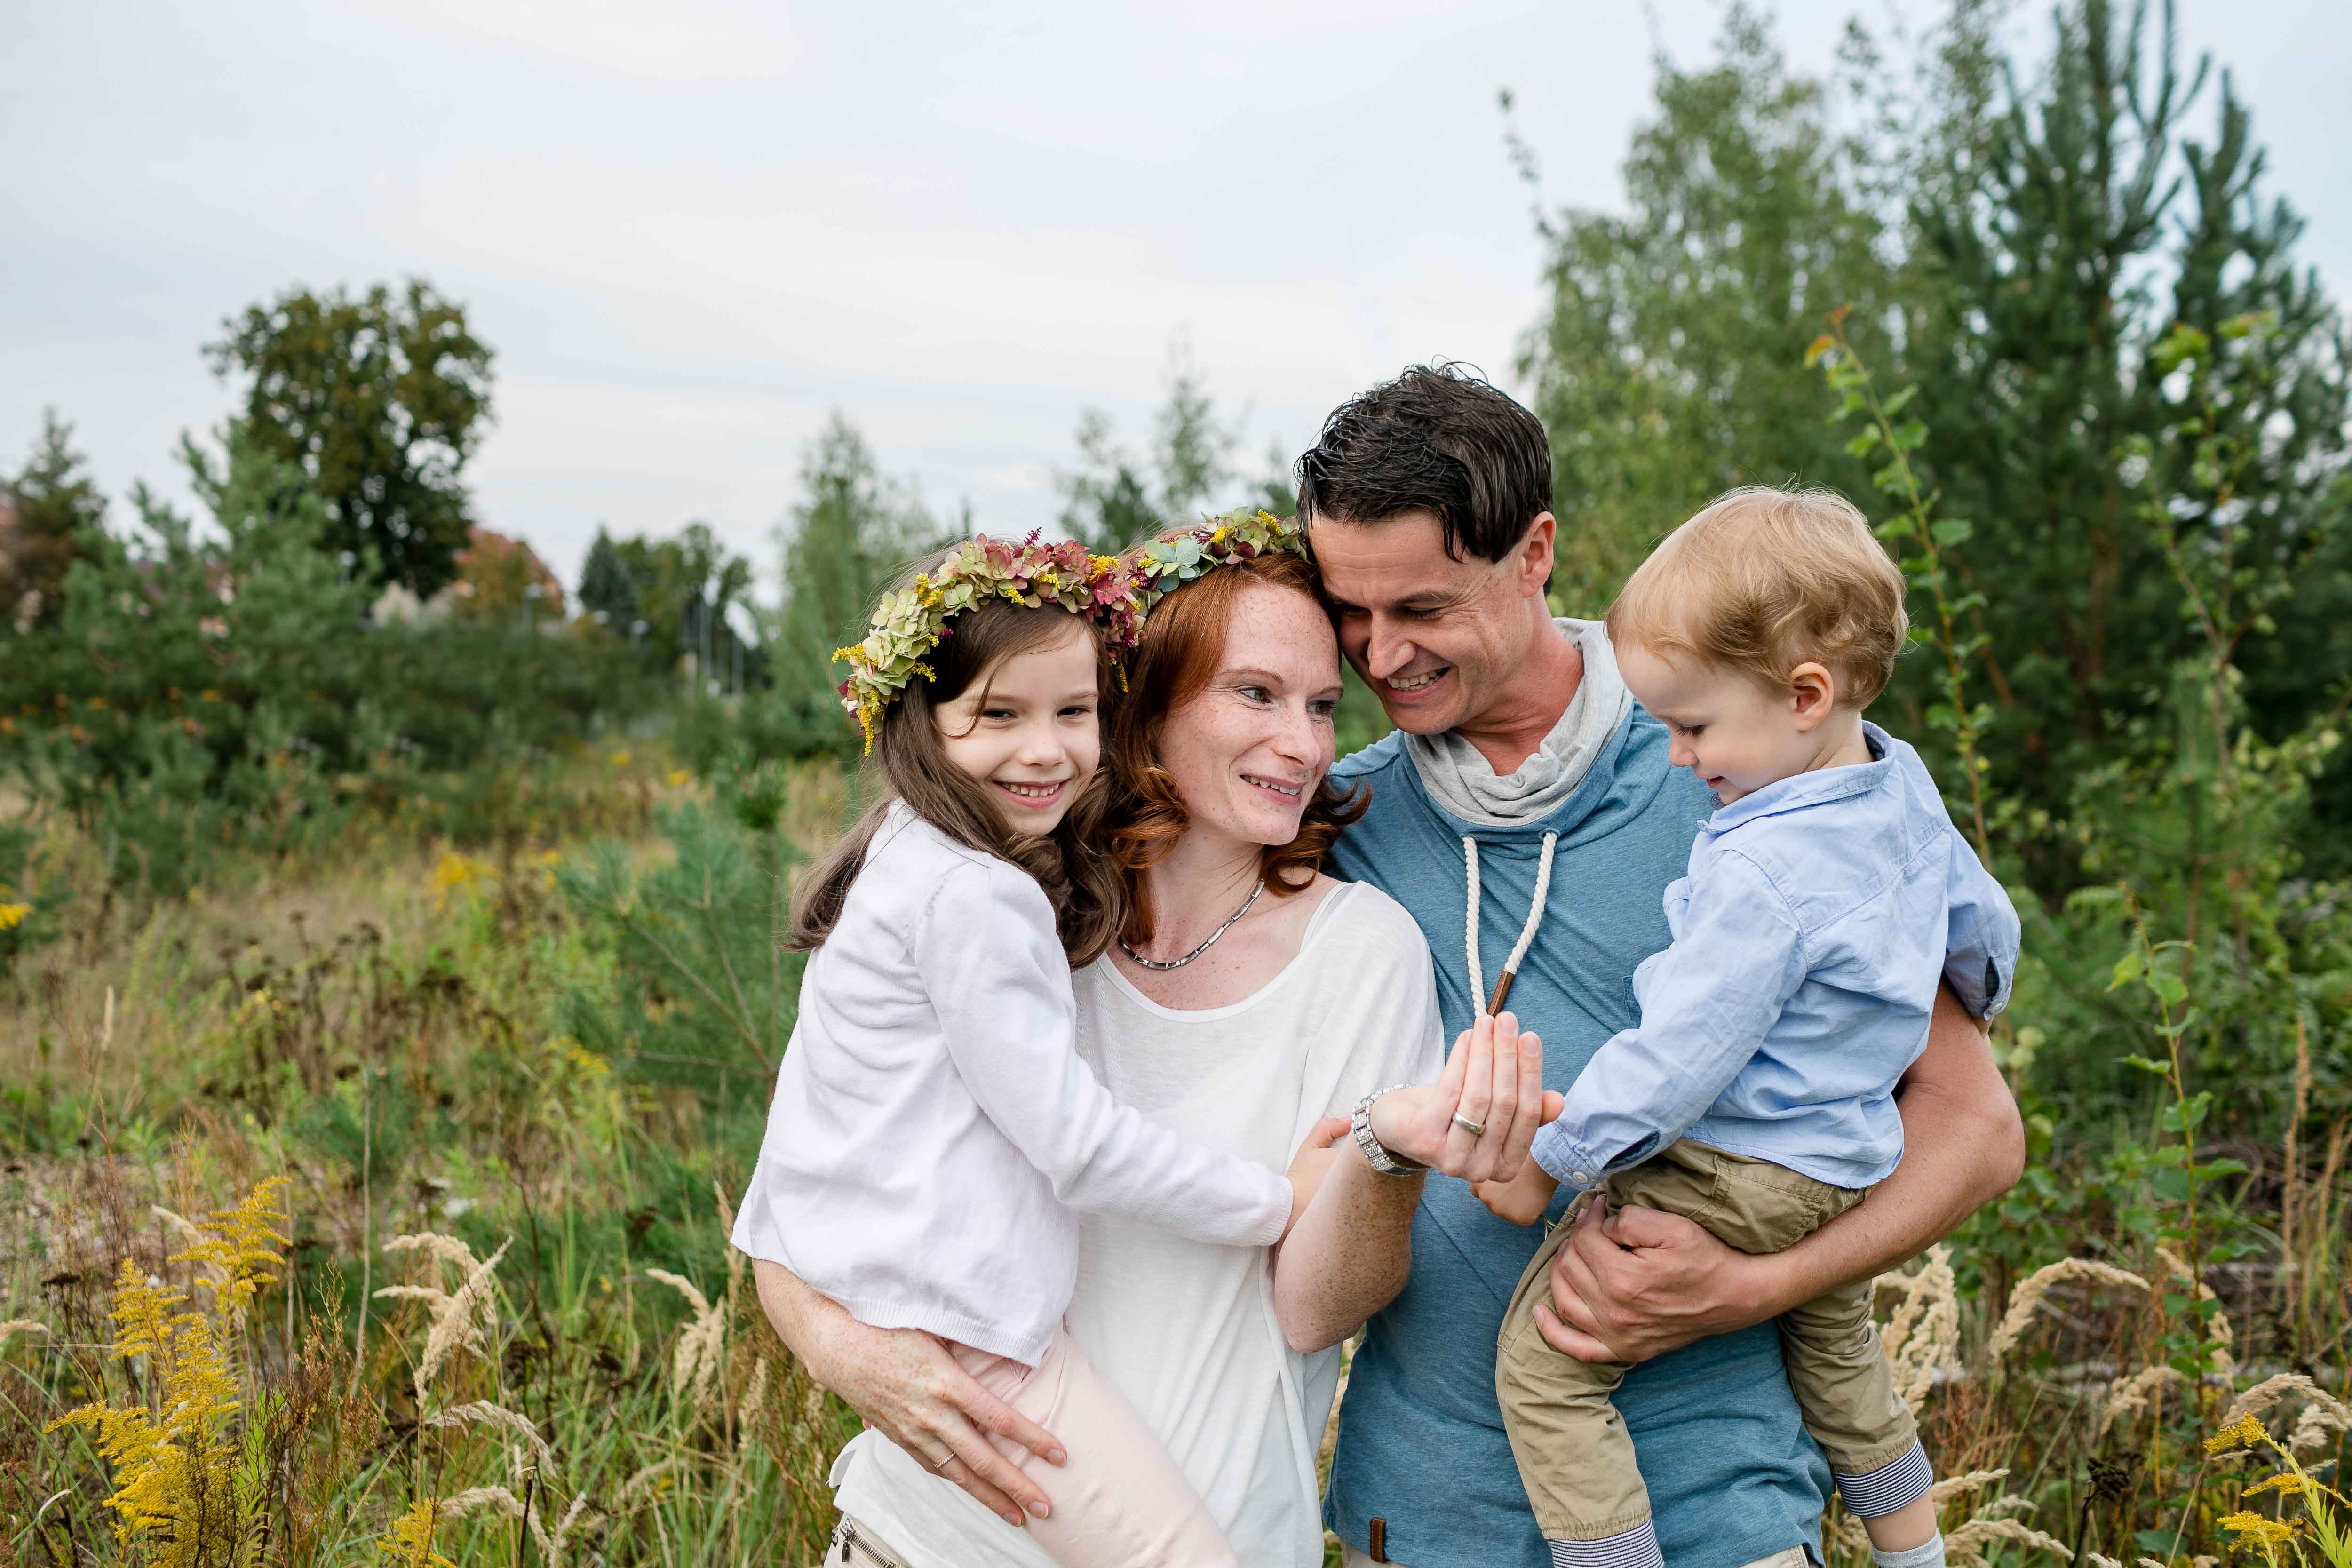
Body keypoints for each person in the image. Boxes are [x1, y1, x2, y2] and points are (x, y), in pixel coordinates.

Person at [1297, 366, 2028, 1568]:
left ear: (1533, 552)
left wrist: (1761, 1283)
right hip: (1420, 1509)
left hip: (1719, 1500)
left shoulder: (1751, 763)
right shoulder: (1333, 818)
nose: (1383, 653)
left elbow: (1976, 1128)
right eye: (1348, 613)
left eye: (1421, 607)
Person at [748, 512, 1554, 1568]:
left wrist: (1381, 1149)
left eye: (1320, 705)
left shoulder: (1360, 952)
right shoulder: (1010, 914)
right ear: (1145, 708)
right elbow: (795, 1189)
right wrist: (844, 1348)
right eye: (1256, 694)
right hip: (922, 1535)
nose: (1306, 743)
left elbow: (1315, 1310)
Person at [731, 532, 1322, 1568]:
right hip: (976, 1341)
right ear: (921, 721)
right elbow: (1078, 1145)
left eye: (1072, 711)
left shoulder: (907, 855)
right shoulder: (979, 893)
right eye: (997, 715)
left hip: (919, 1310)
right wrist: (1277, 1204)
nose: (1043, 749)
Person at [1473, 486, 2023, 1568]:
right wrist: (1966, 985)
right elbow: (1980, 924)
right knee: (1838, 1352)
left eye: (1691, 725)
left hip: (1737, 1170)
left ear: (1804, 693)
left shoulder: (1761, 869)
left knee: (1543, 1368)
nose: (1678, 757)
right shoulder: (1898, 781)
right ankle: (1917, 1552)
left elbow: (1681, 1052)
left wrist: (1554, 1158)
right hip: (1845, 1158)